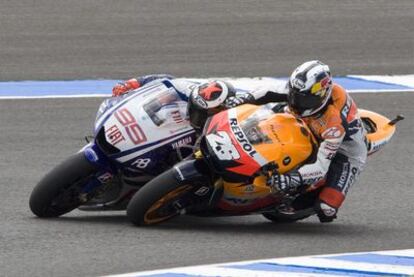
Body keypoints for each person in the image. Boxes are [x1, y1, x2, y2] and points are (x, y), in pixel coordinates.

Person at [112, 60, 367, 223]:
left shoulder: (334, 125)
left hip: (344, 148)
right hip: (300, 125)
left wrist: (293, 179)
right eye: (295, 94)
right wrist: (241, 100)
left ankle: (291, 197)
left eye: (304, 100)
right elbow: (264, 93)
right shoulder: (298, 95)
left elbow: (322, 165)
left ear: (321, 96)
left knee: (327, 209)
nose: (297, 102)